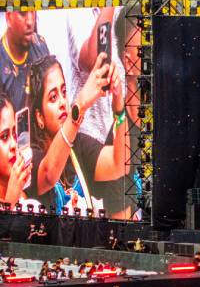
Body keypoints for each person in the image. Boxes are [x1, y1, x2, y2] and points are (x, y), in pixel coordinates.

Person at [28, 53, 128, 215]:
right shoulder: (31, 157)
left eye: (64, 92)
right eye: (53, 97)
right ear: (39, 116)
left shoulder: (78, 144)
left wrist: (118, 103)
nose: (62, 102)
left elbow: (119, 164)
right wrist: (80, 105)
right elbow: (49, 175)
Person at [0, 94, 33, 207]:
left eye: (14, 133)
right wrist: (9, 204)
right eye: (4, 136)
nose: (14, 144)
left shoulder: (23, 197)